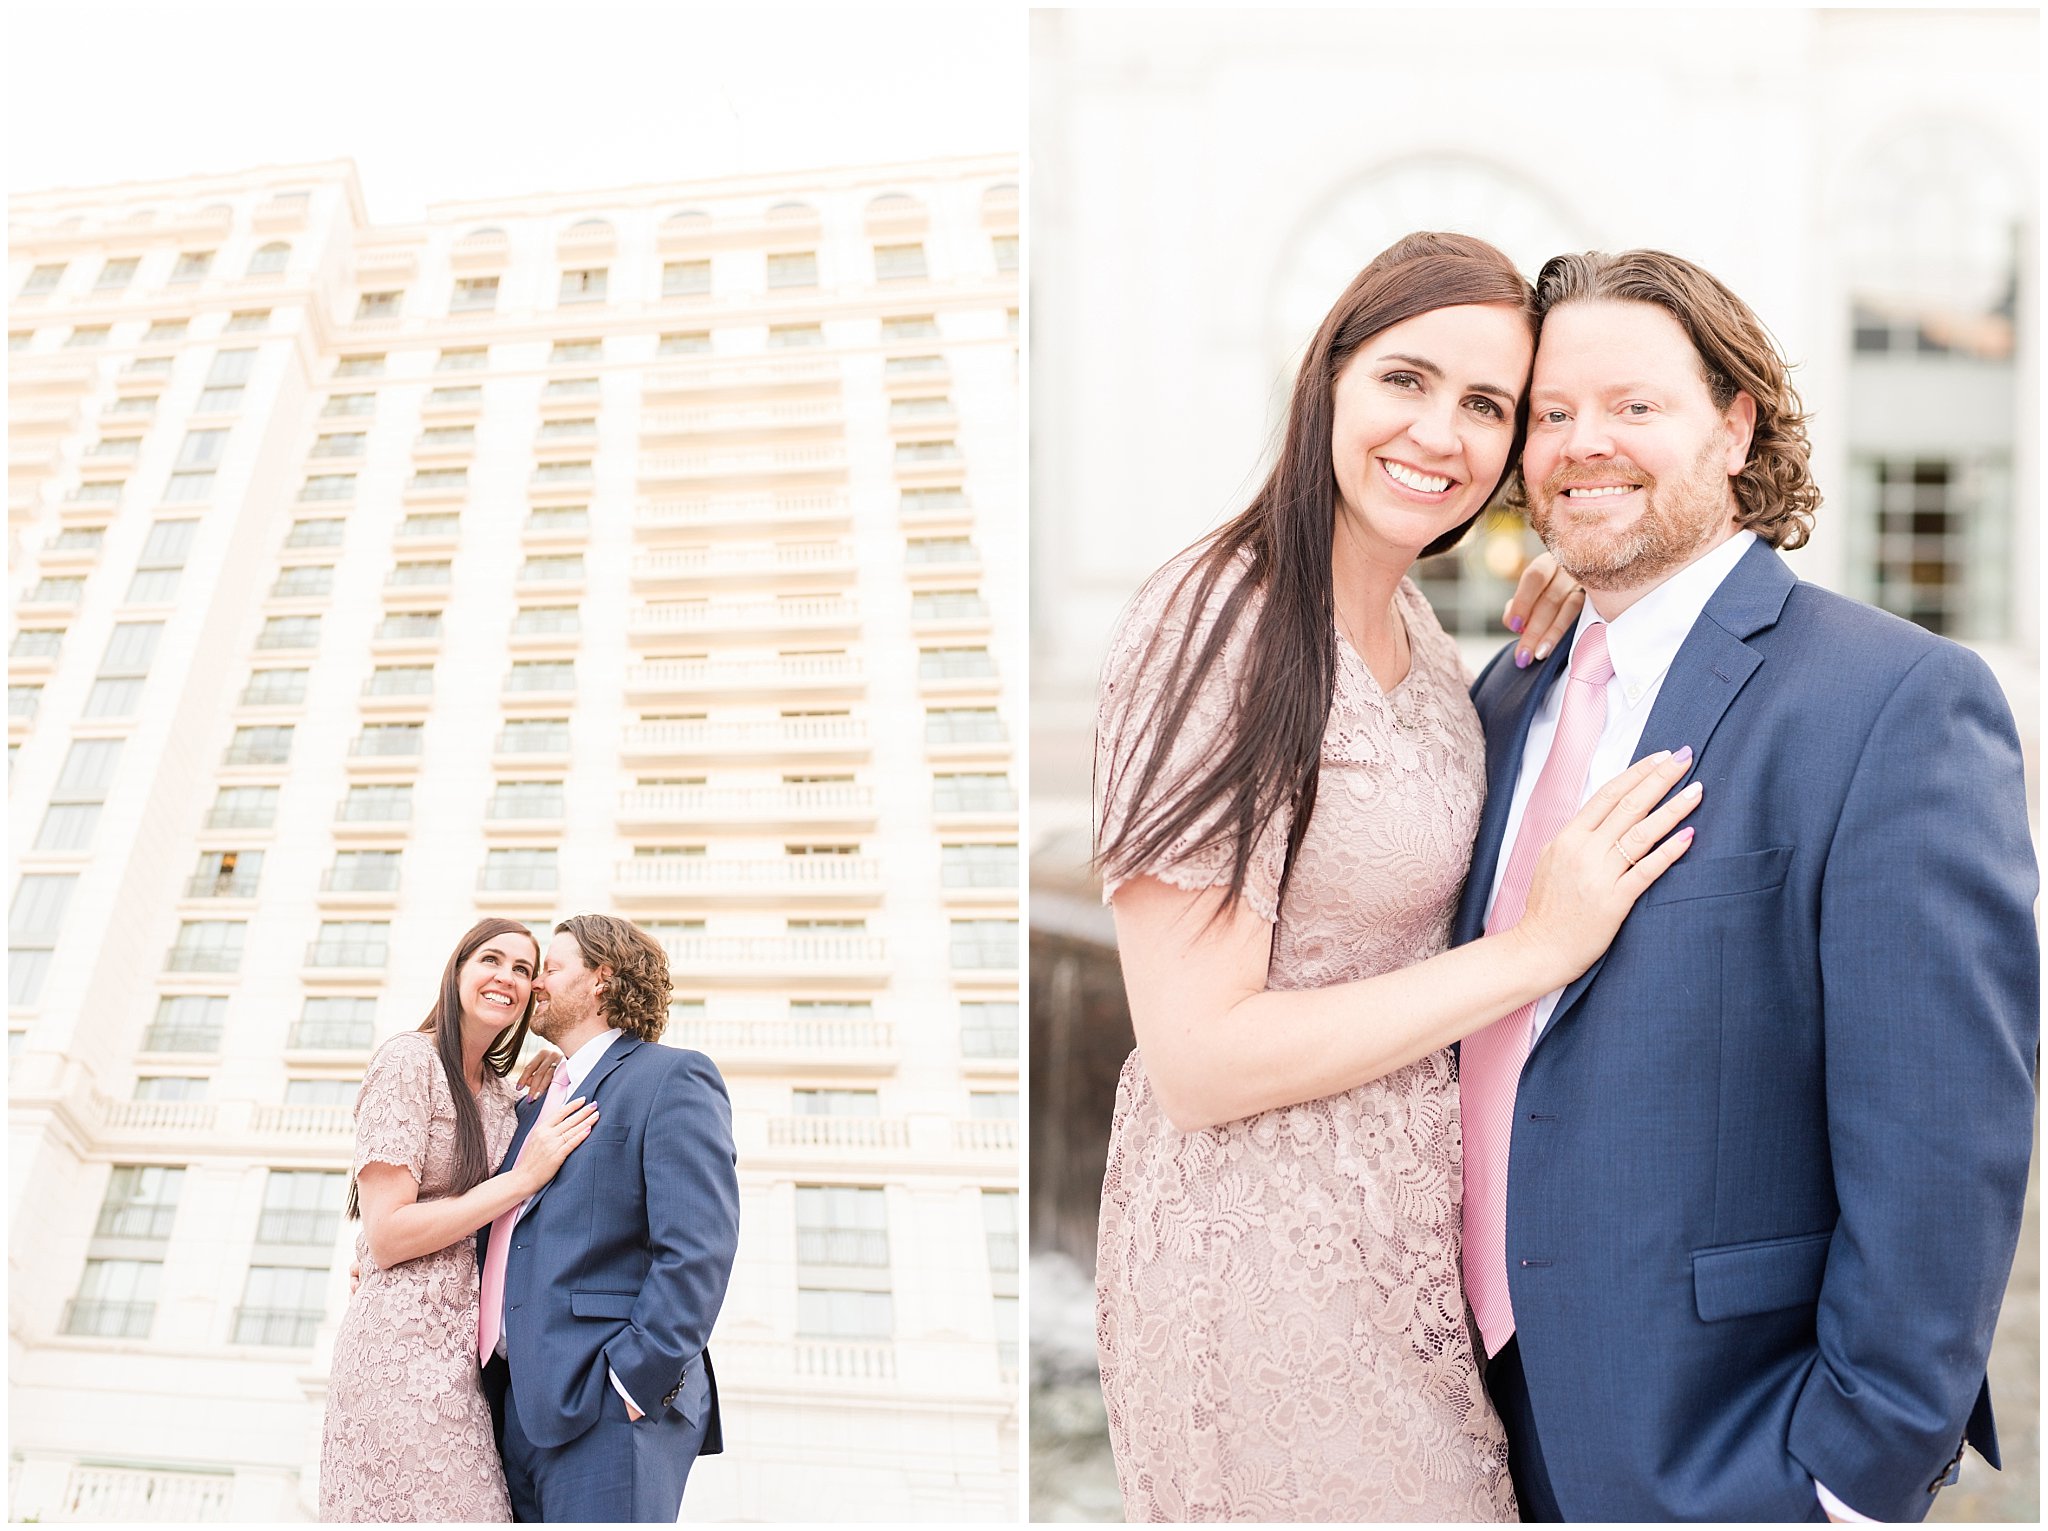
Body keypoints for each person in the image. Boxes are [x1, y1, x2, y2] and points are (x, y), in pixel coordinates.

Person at [1091, 231, 1704, 1520]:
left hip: (1410, 1259)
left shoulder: (1422, 630)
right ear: (1327, 379)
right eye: (1405, 380)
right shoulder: (1215, 622)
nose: (1440, 432)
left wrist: (1580, 588)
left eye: (1487, 405)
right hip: (1258, 1262)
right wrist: (1535, 950)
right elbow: (1195, 1060)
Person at [1457, 248, 2037, 1522]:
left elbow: (1944, 1138)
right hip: (1466, 1436)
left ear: (1734, 425)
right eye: (1549, 413)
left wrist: (1846, 1479)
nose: (1578, 442)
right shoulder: (1504, 696)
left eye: (1630, 407)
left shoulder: (1891, 702)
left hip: (1720, 1452)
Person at [320, 918, 599, 1522]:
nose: (507, 977)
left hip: (468, 1360)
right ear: (458, 972)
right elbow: (388, 1235)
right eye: (491, 961)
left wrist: (554, 1075)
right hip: (397, 1352)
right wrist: (520, 1179)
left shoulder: (503, 1094)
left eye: (525, 970)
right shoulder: (407, 1062)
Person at [480, 912, 741, 1523]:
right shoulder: (537, 1099)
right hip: (513, 1407)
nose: (534, 984)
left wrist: (631, 1378)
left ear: (602, 977)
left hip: (607, 1406)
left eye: (551, 968)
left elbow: (699, 1247)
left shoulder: (672, 1077)